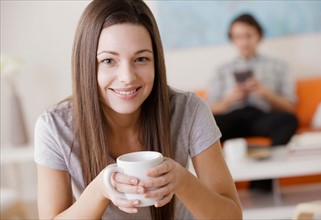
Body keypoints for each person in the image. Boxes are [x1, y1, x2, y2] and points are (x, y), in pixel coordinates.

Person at [34, 1, 242, 219]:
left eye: (141, 59)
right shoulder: (55, 126)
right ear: (86, 64)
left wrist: (182, 180)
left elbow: (232, 216)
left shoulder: (189, 110)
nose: (127, 77)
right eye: (108, 60)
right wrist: (99, 190)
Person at [207, 13, 299, 192]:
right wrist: (228, 99)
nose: (244, 42)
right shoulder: (220, 70)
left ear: (259, 36)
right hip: (232, 117)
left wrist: (265, 92)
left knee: (289, 120)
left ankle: (262, 180)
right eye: (238, 37)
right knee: (208, 126)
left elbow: (290, 107)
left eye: (248, 35)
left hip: (262, 117)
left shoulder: (279, 66)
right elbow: (208, 109)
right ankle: (219, 187)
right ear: (232, 39)